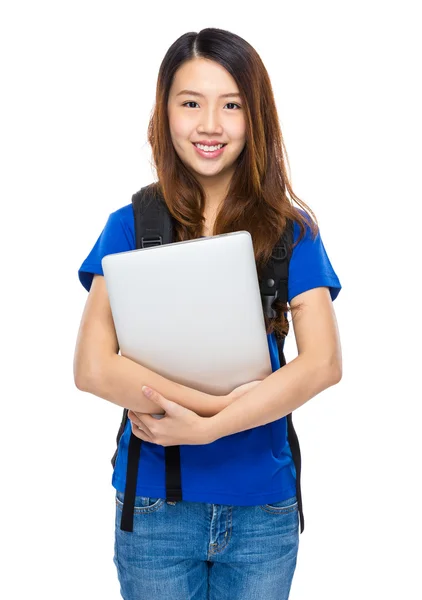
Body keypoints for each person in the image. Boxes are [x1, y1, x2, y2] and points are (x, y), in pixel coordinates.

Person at [74, 27, 342, 600]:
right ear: (164, 111)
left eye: (232, 105)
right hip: (156, 508)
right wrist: (212, 408)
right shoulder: (132, 225)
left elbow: (322, 364)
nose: (210, 125)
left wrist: (210, 427)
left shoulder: (291, 232)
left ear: (256, 116)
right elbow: (93, 368)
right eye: (190, 103)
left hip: (263, 510)